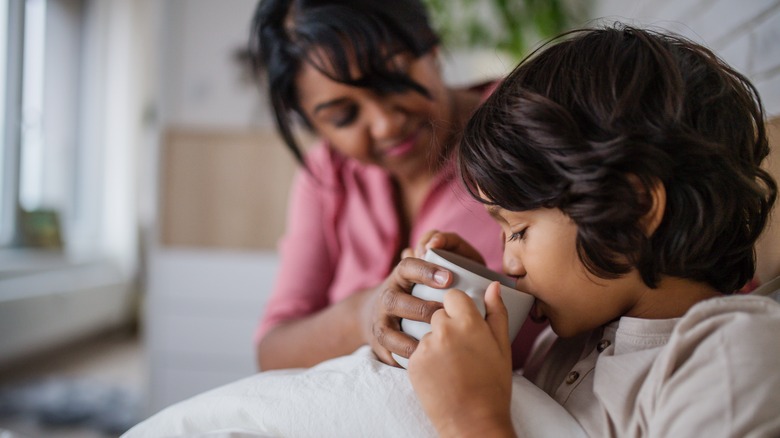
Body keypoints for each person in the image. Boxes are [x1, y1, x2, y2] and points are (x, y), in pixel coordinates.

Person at [399, 25, 780, 436]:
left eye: (520, 230)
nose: (508, 262)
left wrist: (471, 420)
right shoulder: (562, 348)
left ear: (632, 209)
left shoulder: (730, 358)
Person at [247, 0, 546, 370]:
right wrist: (363, 314)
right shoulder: (327, 175)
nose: (385, 124)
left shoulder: (528, 129)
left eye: (392, 80)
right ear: (313, 124)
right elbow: (273, 352)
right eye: (343, 116)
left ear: (430, 45)